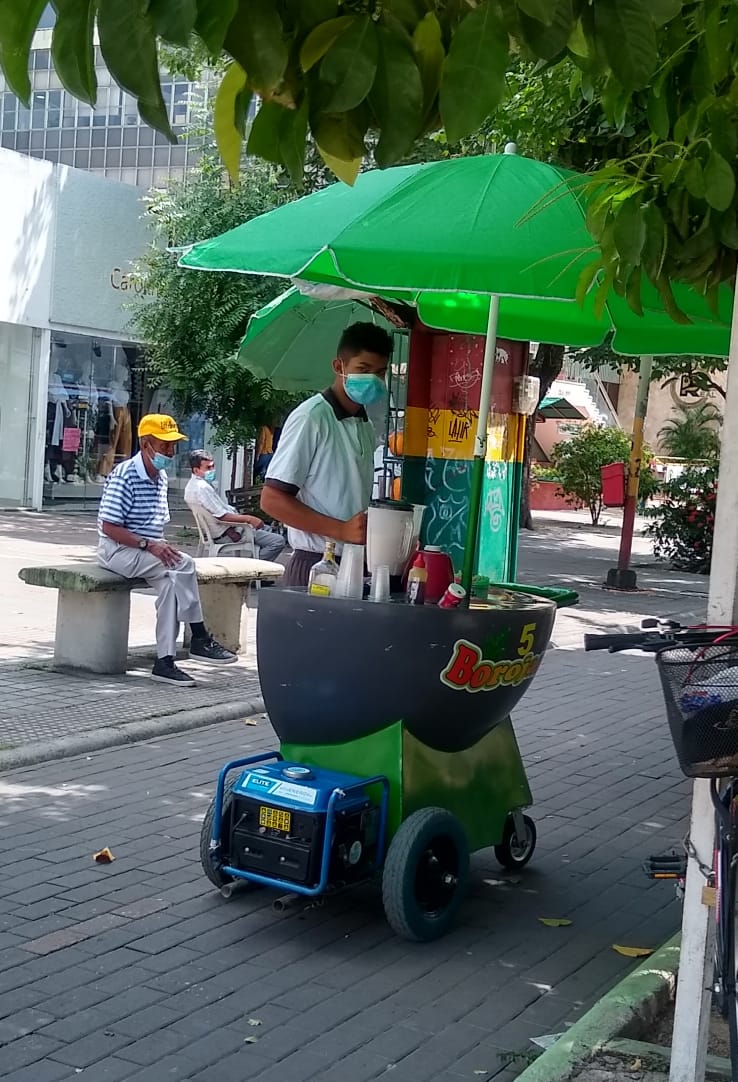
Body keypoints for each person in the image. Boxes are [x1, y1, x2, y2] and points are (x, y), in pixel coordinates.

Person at [97, 414, 237, 688]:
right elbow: (110, 526)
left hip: (144, 550)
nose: (170, 452)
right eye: (165, 446)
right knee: (183, 564)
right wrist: (150, 545)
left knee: (172, 587)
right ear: (146, 443)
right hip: (116, 551)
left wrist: (157, 545)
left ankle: (164, 662)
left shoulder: (159, 477)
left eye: (173, 445)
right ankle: (199, 636)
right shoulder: (125, 474)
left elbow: (154, 526)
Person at [261, 322, 393, 589]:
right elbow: (272, 499)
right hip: (315, 563)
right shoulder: (312, 418)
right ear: (339, 367)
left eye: (380, 372)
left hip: (353, 563)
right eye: (363, 370)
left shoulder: (364, 425)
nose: (372, 380)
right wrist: (341, 530)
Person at [184, 450, 286, 562]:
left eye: (213, 466)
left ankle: (260, 572)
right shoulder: (201, 488)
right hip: (229, 532)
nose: (212, 470)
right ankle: (251, 572)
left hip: (227, 529)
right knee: (278, 541)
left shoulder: (192, 487)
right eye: (208, 468)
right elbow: (222, 516)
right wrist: (249, 519)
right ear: (196, 470)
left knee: (268, 530)